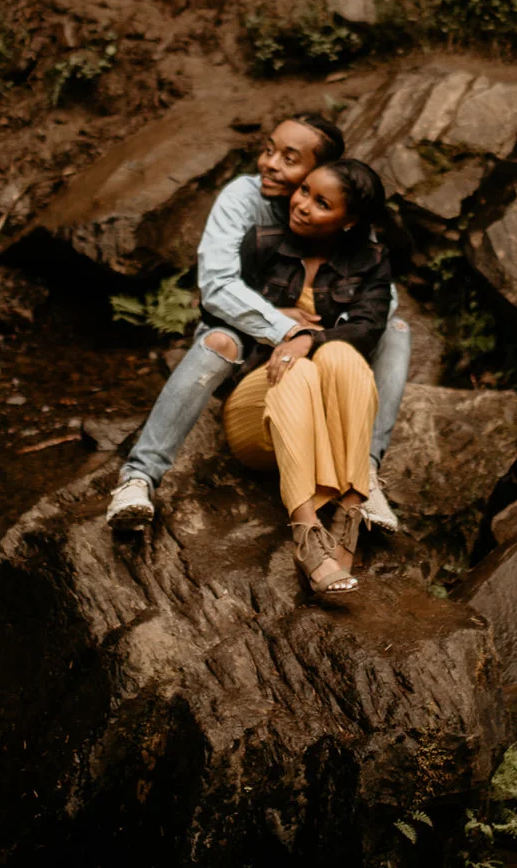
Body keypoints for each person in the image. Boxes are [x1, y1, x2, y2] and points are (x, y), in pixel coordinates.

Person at [105, 112, 411, 536]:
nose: (270, 164)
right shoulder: (245, 202)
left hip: (320, 349)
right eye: (269, 150)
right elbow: (216, 288)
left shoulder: (346, 212)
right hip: (248, 337)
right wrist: (281, 323)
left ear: (324, 172)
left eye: (290, 159)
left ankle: (367, 473)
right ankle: (138, 479)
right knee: (218, 341)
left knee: (396, 332)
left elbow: (381, 302)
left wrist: (320, 334)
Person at [217, 157, 391, 597]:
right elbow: (214, 308)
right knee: (298, 370)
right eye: (304, 191)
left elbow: (369, 328)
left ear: (348, 221)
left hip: (316, 412)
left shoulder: (370, 260)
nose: (302, 204)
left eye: (321, 202)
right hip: (259, 407)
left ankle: (348, 517)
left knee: (342, 356)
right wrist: (277, 323)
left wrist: (309, 338)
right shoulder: (262, 244)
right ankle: (307, 531)